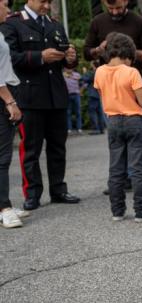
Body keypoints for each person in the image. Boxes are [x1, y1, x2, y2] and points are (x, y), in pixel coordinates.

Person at [0, 0, 81, 211]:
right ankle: (32, 193)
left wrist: (71, 58)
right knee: (31, 149)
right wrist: (40, 57)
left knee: (58, 146)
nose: (47, 5)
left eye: (50, 1)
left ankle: (59, 189)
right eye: (43, 1)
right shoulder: (12, 24)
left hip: (56, 95)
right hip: (30, 97)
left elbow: (65, 58)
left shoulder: (54, 24)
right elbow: (10, 58)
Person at [84, 0, 142, 194]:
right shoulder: (98, 22)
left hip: (134, 82)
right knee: (116, 136)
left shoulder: (139, 22)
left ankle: (137, 175)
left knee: (138, 134)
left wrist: (131, 53)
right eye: (110, 8)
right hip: (110, 84)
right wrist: (100, 50)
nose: (114, 12)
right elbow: (86, 52)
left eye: (118, 7)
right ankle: (119, 178)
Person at [94, 32, 142, 223]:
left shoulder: (100, 72)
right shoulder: (131, 72)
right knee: (137, 168)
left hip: (112, 121)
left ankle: (117, 211)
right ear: (129, 54)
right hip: (134, 121)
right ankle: (141, 211)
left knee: (116, 168)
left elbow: (102, 97)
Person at [0, 0, 28, 228]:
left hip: (6, 92)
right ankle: (4, 208)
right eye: (4, 5)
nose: (8, 11)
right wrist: (10, 101)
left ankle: (3, 203)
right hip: (2, 96)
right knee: (2, 157)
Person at [82, 61, 106, 135]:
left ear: (94, 65)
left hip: (93, 95)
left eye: (91, 65)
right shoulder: (101, 72)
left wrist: (85, 72)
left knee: (92, 112)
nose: (90, 66)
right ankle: (101, 128)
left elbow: (85, 79)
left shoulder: (94, 72)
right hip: (99, 95)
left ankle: (96, 129)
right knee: (99, 112)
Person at [63, 67, 82, 134]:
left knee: (78, 112)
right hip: (67, 95)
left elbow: (83, 83)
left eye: (70, 68)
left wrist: (81, 90)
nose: (68, 69)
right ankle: (69, 129)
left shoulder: (77, 75)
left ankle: (79, 128)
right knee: (68, 113)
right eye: (67, 68)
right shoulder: (63, 75)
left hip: (76, 95)